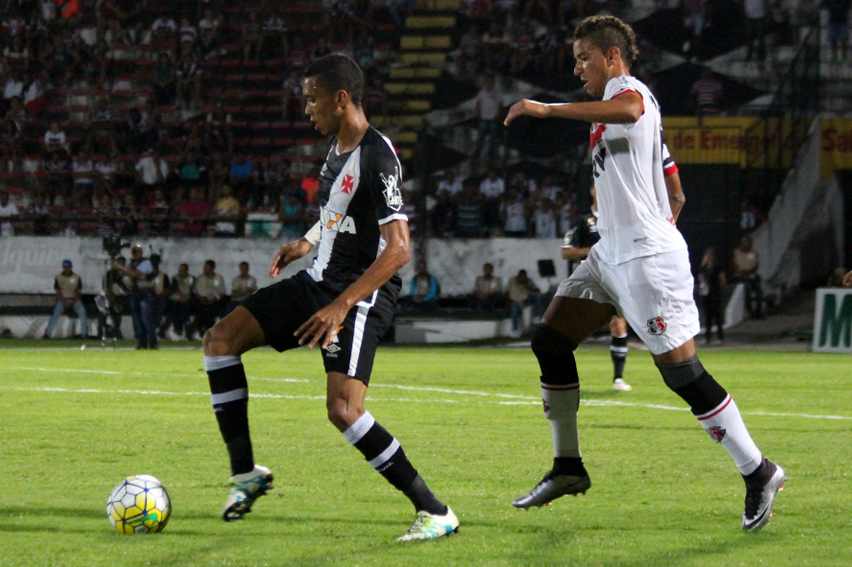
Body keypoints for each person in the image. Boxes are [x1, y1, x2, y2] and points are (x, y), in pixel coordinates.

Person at [503, 15, 783, 531]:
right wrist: (648, 224)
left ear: (612, 56)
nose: (577, 68)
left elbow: (631, 109)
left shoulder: (628, 92)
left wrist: (546, 108)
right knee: (550, 341)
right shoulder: (621, 115)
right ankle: (568, 467)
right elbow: (676, 191)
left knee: (682, 375)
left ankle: (758, 470)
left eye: (584, 57)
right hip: (611, 255)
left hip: (644, 259)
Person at [200, 54, 457, 541]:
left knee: (343, 410)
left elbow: (399, 248)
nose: (306, 109)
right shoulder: (337, 147)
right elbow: (339, 209)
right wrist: (308, 240)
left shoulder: (377, 155)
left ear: (341, 99)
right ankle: (245, 474)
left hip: (359, 293)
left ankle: (435, 510)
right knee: (220, 340)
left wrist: (341, 305)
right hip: (318, 280)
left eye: (312, 99)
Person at [561, 186, 633, 391]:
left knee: (618, 324)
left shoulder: (619, 219)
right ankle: (562, 373)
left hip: (614, 278)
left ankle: (618, 379)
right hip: (588, 279)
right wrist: (590, 250)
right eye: (598, 185)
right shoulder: (583, 220)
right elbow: (566, 252)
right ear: (592, 190)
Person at [44, 259, 88, 339]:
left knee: (83, 313)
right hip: (62, 299)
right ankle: (48, 334)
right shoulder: (58, 277)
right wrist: (64, 301)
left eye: (68, 267)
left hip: (74, 299)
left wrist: (73, 301)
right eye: (65, 267)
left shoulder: (76, 277)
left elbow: (78, 291)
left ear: (71, 267)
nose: (66, 269)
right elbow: (58, 292)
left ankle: (85, 335)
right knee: (55, 314)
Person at [698, 247, 726, 345]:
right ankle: (707, 337)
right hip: (706, 294)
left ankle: (720, 337)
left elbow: (722, 279)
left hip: (715, 293)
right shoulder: (704, 267)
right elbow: (701, 278)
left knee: (717, 316)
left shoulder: (717, 266)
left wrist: (720, 289)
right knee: (708, 317)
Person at [193, 259, 226, 337]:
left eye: (207, 267)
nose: (204, 269)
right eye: (204, 267)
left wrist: (214, 299)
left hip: (214, 301)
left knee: (212, 311)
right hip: (201, 300)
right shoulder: (200, 278)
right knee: (199, 310)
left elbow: (222, 292)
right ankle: (200, 330)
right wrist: (201, 298)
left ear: (212, 268)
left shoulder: (219, 278)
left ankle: (209, 331)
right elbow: (195, 291)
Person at [732, 235, 762, 319]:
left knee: (759, 291)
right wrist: (742, 272)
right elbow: (734, 265)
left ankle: (758, 312)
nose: (745, 243)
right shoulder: (736, 252)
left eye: (746, 242)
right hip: (740, 276)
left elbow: (756, 264)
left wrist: (750, 271)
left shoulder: (754, 253)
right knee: (747, 289)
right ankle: (750, 312)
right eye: (743, 242)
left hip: (751, 275)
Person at [506, 269, 542, 337]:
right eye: (521, 277)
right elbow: (508, 292)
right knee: (513, 309)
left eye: (524, 277)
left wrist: (529, 287)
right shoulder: (512, 281)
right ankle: (515, 329)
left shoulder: (529, 281)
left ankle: (537, 316)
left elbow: (538, 290)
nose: (522, 279)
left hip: (526, 301)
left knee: (537, 296)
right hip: (515, 302)